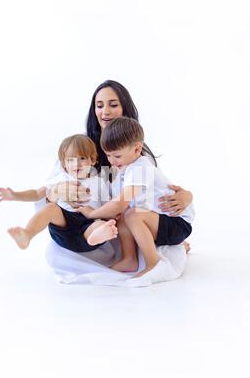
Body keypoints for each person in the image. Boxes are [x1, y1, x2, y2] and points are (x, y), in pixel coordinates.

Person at [46, 80, 193, 220]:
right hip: (79, 225)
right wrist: (57, 190)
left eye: (113, 105)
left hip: (120, 229)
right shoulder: (80, 146)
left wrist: (187, 197)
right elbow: (45, 196)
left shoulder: (138, 153)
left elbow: (154, 194)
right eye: (99, 106)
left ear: (125, 109)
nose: (105, 112)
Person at [75, 117, 195, 277]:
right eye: (108, 155)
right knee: (125, 214)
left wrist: (91, 213)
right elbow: (116, 203)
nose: (112, 161)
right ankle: (129, 259)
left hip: (178, 223)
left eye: (117, 156)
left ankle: (153, 263)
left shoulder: (141, 167)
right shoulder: (125, 170)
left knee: (131, 213)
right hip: (159, 221)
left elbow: (120, 203)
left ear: (137, 150)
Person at [0, 135, 118, 252]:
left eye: (82, 158)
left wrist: (104, 217)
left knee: (101, 223)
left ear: (92, 160)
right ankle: (27, 234)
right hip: (64, 227)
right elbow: (37, 194)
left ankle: (95, 236)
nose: (76, 164)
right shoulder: (60, 178)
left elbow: (107, 208)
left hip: (89, 224)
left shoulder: (98, 182)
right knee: (50, 207)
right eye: (70, 160)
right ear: (64, 163)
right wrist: (14, 195)